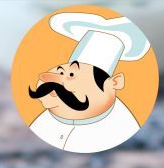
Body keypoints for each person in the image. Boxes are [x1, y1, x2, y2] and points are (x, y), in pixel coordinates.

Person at [28, 11, 152, 153]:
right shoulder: (43, 118)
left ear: (114, 83)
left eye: (72, 75)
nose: (54, 80)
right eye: (60, 71)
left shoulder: (121, 127)